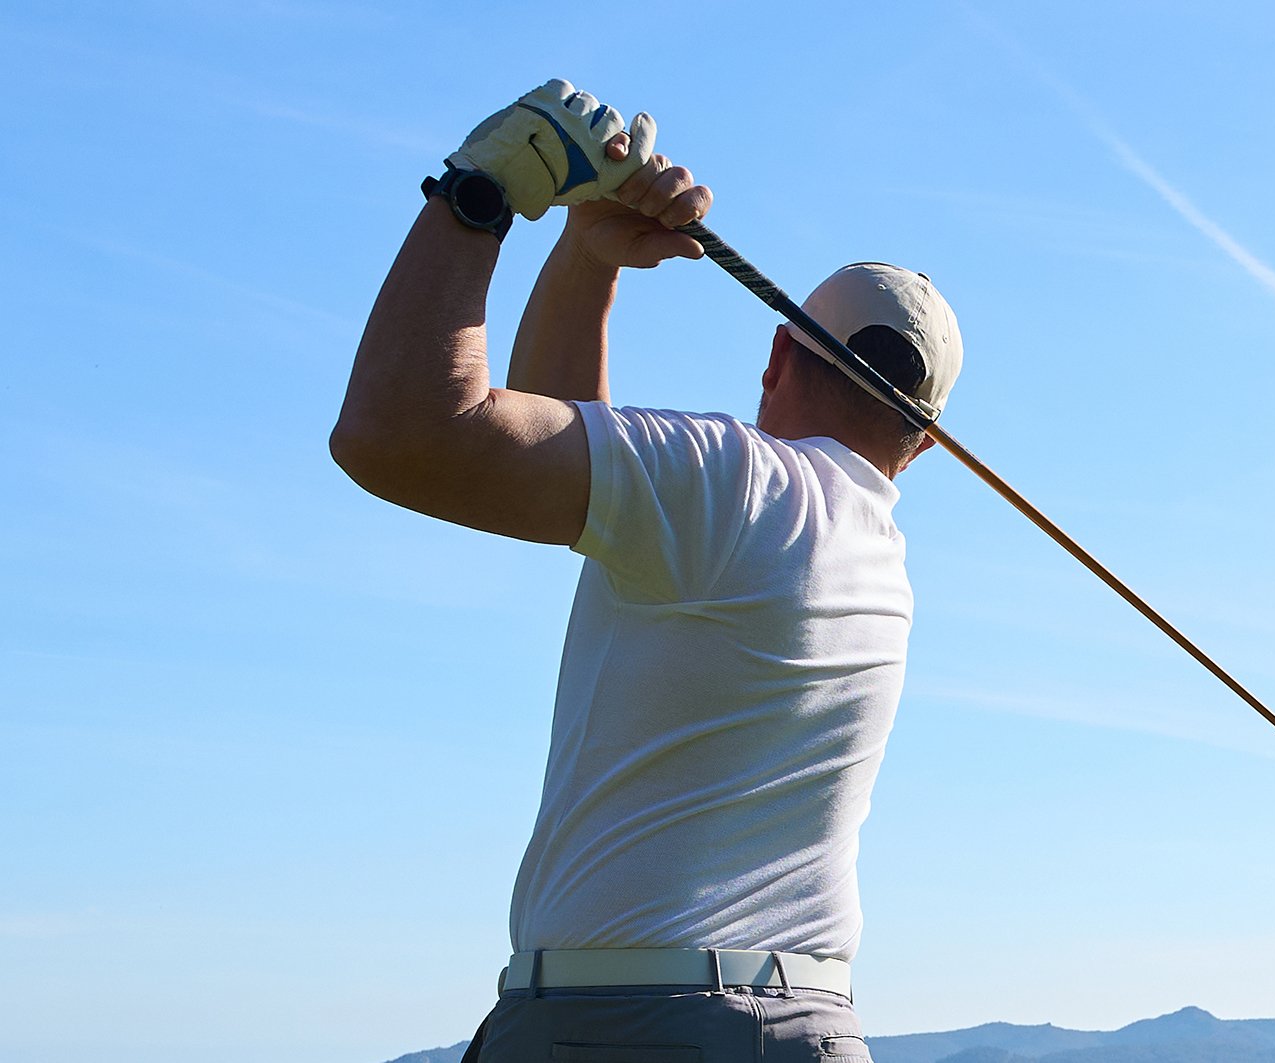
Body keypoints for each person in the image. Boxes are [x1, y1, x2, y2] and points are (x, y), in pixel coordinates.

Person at [331, 80, 963, 1062]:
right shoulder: (867, 555)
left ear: (775, 358)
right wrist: (589, 258)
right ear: (920, 446)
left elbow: (400, 434)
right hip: (795, 1021)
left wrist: (482, 191)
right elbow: (550, 456)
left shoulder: (737, 488)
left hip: (636, 1023)